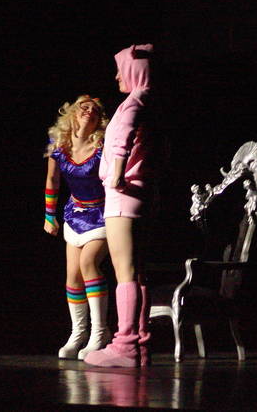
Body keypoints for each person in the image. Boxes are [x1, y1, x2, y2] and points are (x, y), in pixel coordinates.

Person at [84, 44, 157, 368]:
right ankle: (140, 342)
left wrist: (115, 174)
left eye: (120, 69)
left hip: (123, 195)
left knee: (124, 270)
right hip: (139, 194)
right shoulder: (150, 103)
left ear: (133, 71)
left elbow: (121, 139)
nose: (116, 76)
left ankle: (125, 345)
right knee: (137, 272)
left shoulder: (133, 103)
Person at [43, 95, 111, 360]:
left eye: (95, 109)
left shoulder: (102, 146)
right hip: (75, 213)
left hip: (103, 214)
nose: (89, 110)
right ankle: (78, 333)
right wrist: (49, 215)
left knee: (88, 263)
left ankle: (99, 332)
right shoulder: (58, 144)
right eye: (84, 106)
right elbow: (52, 179)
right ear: (71, 113)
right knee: (72, 277)